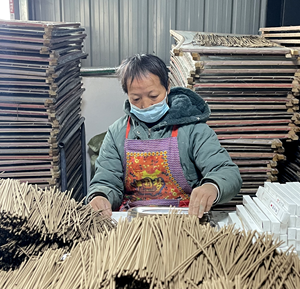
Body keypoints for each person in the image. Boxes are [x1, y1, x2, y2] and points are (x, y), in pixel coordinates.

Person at [87, 54, 242, 218]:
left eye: (153, 96)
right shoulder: (117, 133)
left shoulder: (192, 129)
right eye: (136, 99)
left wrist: (213, 186)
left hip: (186, 220)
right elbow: (106, 181)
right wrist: (100, 196)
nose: (146, 105)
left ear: (167, 87)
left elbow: (226, 171)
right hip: (133, 223)